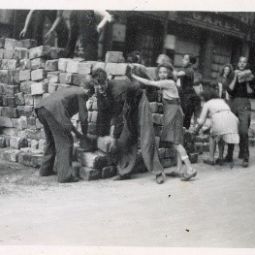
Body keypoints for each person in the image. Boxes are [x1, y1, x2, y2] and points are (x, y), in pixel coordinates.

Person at [35, 69, 112, 183]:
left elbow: (66, 122)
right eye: (91, 93)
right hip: (53, 111)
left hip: (42, 109)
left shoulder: (72, 90)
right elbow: (83, 118)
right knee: (66, 141)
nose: (91, 96)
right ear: (90, 90)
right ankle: (65, 176)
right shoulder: (81, 94)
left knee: (51, 140)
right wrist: (85, 135)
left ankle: (45, 170)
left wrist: (78, 134)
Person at [131, 63, 197, 181]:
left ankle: (190, 168)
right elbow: (154, 82)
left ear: (169, 74)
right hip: (174, 112)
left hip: (173, 113)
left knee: (176, 143)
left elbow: (150, 83)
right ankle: (179, 168)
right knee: (175, 142)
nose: (162, 74)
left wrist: (133, 76)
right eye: (160, 72)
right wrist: (144, 71)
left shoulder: (169, 82)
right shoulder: (166, 83)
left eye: (165, 72)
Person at [194, 87, 239, 165]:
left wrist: (196, 130)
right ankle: (220, 157)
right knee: (219, 135)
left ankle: (211, 159)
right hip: (232, 119)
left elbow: (201, 120)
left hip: (220, 118)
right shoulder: (221, 101)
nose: (202, 100)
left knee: (212, 136)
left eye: (202, 98)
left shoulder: (207, 104)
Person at [225, 56, 255, 167]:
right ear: (238, 63)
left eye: (244, 62)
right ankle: (229, 154)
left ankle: (245, 157)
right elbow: (229, 90)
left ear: (246, 64)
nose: (242, 64)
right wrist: (235, 77)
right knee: (231, 129)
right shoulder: (232, 74)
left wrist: (246, 81)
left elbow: (251, 93)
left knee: (243, 131)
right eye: (240, 62)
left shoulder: (250, 76)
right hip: (233, 102)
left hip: (245, 104)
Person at [177, 54, 200, 129]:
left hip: (189, 97)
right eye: (183, 58)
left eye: (186, 59)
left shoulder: (189, 70)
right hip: (186, 96)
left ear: (190, 62)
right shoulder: (185, 69)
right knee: (185, 118)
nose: (183, 60)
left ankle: (184, 137)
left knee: (185, 120)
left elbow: (178, 75)